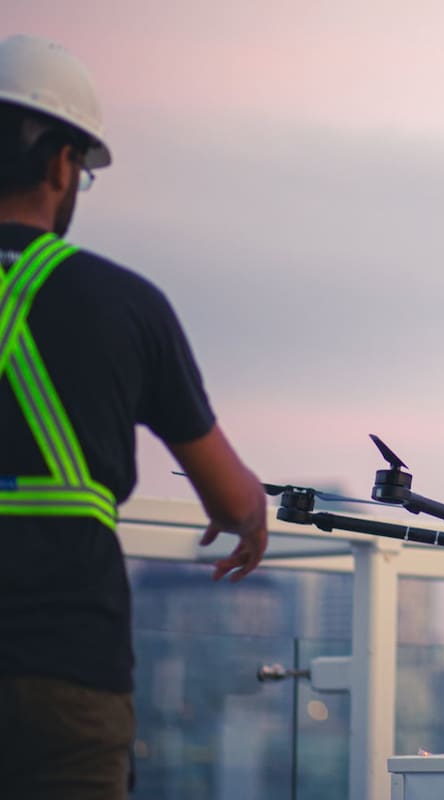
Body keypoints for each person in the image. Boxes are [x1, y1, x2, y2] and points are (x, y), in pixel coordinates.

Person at [0, 35, 269, 799]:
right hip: (67, 675)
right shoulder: (126, 306)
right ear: (61, 164)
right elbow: (232, 497)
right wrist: (250, 521)